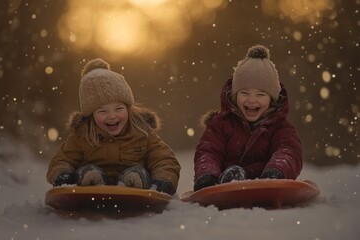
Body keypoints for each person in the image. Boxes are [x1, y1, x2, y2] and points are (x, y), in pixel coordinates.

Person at [46, 58, 180, 195]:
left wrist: (164, 180)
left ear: (128, 108)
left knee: (138, 172)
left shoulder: (142, 131)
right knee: (86, 171)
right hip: (91, 187)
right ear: (91, 114)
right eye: (103, 111)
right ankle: (92, 179)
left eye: (118, 109)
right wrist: (63, 175)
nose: (112, 116)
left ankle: (135, 179)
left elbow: (164, 159)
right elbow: (62, 159)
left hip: (134, 186)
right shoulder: (82, 134)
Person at [193, 45, 302, 192]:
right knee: (233, 170)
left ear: (272, 99)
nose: (252, 100)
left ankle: (263, 180)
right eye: (244, 93)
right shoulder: (221, 123)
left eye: (260, 95)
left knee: (277, 162)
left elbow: (288, 151)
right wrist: (207, 174)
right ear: (234, 95)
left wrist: (276, 171)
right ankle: (232, 180)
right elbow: (208, 151)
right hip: (225, 182)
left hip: (265, 180)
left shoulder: (280, 127)